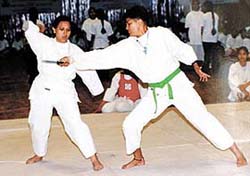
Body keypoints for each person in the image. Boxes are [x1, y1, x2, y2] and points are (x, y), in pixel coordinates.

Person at [60, 6, 247, 169]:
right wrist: (74, 60)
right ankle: (138, 158)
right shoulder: (127, 47)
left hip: (178, 86)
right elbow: (101, 57)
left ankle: (236, 151)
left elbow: (181, 49)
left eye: (128, 23)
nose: (126, 27)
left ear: (139, 22)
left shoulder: (161, 34)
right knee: (130, 124)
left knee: (202, 119)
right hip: (156, 92)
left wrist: (196, 65)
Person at [22, 16, 104, 171]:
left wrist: (96, 90)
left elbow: (87, 69)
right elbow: (27, 27)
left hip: (64, 91)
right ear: (54, 30)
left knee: (75, 124)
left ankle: (93, 157)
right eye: (61, 29)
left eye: (68, 30)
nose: (65, 33)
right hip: (42, 89)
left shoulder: (75, 51)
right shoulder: (43, 43)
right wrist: (38, 28)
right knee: (38, 124)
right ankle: (39, 153)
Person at [202, 1, 219, 73]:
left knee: (207, 55)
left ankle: (205, 70)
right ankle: (215, 70)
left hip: (206, 39)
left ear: (206, 7)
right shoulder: (216, 15)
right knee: (213, 55)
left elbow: (202, 28)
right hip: (214, 39)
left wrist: (201, 35)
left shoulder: (204, 16)